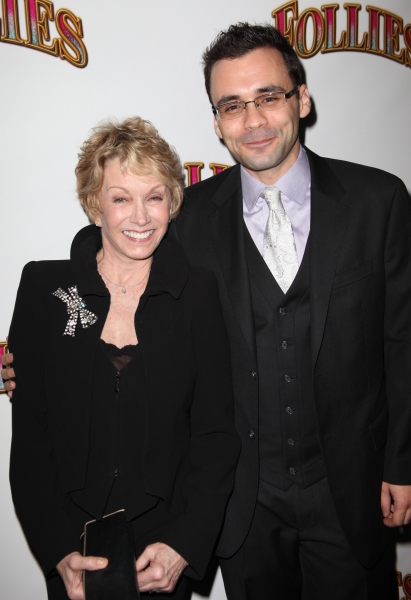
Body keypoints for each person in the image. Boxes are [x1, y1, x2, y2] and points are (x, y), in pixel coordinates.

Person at [4, 22, 411, 600]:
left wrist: (402, 461)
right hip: (244, 503)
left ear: (302, 97)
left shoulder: (380, 200)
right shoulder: (190, 217)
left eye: (269, 97)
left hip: (351, 485)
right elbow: (112, 240)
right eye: (232, 105)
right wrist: (49, 332)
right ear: (217, 122)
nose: (253, 120)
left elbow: (403, 340)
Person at [6, 116, 240, 600]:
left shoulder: (198, 293)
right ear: (95, 206)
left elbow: (215, 436)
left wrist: (183, 543)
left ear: (172, 202)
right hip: (72, 543)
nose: (140, 216)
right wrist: (55, 549)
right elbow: (31, 440)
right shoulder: (45, 290)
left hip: (163, 546)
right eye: (121, 198)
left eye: (154, 196)